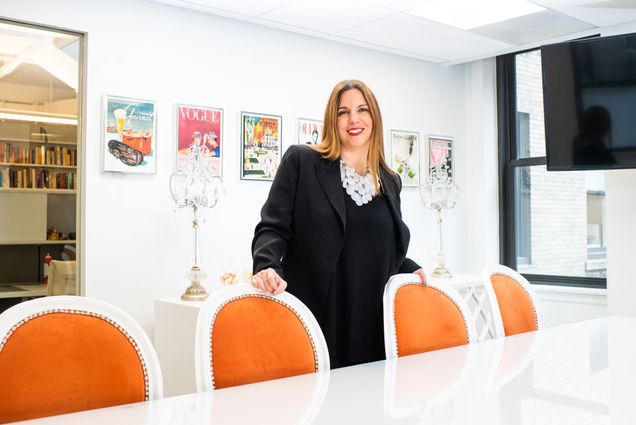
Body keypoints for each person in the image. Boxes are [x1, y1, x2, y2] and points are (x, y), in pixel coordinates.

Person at [251, 79, 427, 368]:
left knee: (368, 407)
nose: (353, 119)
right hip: (318, 317)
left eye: (362, 110)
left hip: (373, 322)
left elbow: (380, 244)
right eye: (343, 112)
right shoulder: (302, 161)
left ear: (375, 118)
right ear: (332, 120)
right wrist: (266, 265)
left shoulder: (390, 181)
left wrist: (409, 267)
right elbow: (273, 226)